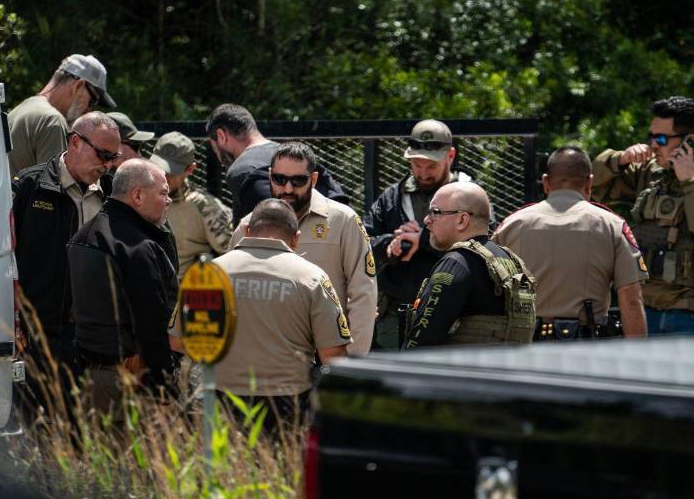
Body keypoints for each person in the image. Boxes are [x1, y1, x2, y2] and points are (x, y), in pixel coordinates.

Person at [592, 96, 694, 334]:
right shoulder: (651, 172)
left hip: (693, 316)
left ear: (690, 142)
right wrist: (620, 159)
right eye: (651, 137)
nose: (653, 145)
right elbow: (593, 187)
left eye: (660, 138)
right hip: (643, 311)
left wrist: (689, 183)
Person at [13, 111, 121, 408]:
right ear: (75, 142)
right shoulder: (29, 187)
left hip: (94, 341)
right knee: (36, 429)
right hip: (37, 338)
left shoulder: (114, 197)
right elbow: (4, 261)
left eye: (113, 157)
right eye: (102, 154)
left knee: (85, 435)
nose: (108, 165)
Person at [213, 199, 350, 430]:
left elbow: (178, 340)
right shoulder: (313, 278)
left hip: (220, 396)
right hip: (287, 403)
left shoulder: (209, 273)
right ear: (296, 238)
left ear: (247, 230)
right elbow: (333, 355)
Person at [230, 142, 377, 354]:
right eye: (279, 180)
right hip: (266, 355)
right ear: (270, 176)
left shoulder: (343, 221)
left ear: (314, 180)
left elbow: (363, 294)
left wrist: (350, 363)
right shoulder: (249, 225)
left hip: (324, 354)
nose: (288, 189)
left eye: (298, 181)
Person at [492, 147, 648, 340]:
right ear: (589, 183)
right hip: (585, 349)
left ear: (546, 182)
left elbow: (490, 294)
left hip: (523, 346)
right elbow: (631, 300)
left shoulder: (511, 225)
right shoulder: (612, 226)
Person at [67, 159, 178, 418]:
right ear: (137, 195)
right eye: (163, 193)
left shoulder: (81, 236)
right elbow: (152, 323)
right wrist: (164, 389)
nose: (169, 200)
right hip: (134, 379)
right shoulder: (137, 247)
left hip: (90, 379)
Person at [364, 119, 477, 348]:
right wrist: (392, 244)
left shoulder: (471, 197)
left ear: (450, 156)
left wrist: (424, 240)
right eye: (416, 164)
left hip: (452, 316)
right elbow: (362, 242)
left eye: (431, 166)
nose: (423, 173)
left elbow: (481, 248)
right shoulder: (391, 198)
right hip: (395, 316)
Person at [402, 182, 536, 348]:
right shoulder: (512, 261)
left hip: (464, 372)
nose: (426, 220)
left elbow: (421, 342)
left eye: (435, 212)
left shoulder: (456, 262)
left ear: (462, 220)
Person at [205, 103, 348, 223]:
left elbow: (267, 230)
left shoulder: (242, 170)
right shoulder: (294, 155)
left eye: (213, 146)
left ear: (221, 136)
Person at [8, 54, 116, 176]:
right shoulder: (52, 121)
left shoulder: (21, 109)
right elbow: (53, 191)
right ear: (78, 86)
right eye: (92, 101)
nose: (89, 110)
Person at [150, 131, 233, 278]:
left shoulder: (205, 207)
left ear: (190, 169)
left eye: (170, 172)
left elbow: (231, 255)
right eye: (158, 167)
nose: (163, 175)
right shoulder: (139, 196)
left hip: (188, 294)